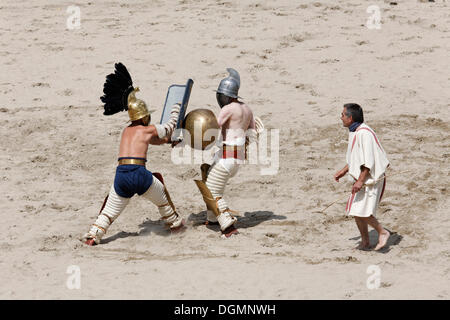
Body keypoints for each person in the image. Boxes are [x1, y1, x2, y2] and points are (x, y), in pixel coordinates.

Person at [82, 63, 184, 246]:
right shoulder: (147, 130)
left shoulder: (127, 131)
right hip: (139, 173)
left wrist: (170, 142)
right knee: (162, 197)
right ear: (144, 116)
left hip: (121, 175)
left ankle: (93, 235)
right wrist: (177, 108)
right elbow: (169, 128)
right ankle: (175, 225)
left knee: (109, 211)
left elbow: (158, 140)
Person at [194, 68, 262, 237]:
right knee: (209, 177)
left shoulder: (228, 109)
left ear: (227, 95)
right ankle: (213, 218)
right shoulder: (247, 109)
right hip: (237, 158)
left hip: (226, 157)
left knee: (211, 190)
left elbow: (212, 127)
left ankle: (228, 225)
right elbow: (252, 133)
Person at [334, 103, 390, 251]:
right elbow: (356, 158)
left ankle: (382, 232)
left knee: (363, 211)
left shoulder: (364, 133)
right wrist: (344, 171)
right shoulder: (355, 131)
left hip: (371, 179)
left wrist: (360, 181)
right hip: (363, 178)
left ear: (350, 118)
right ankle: (365, 242)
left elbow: (368, 162)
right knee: (355, 211)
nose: (341, 118)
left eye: (342, 115)